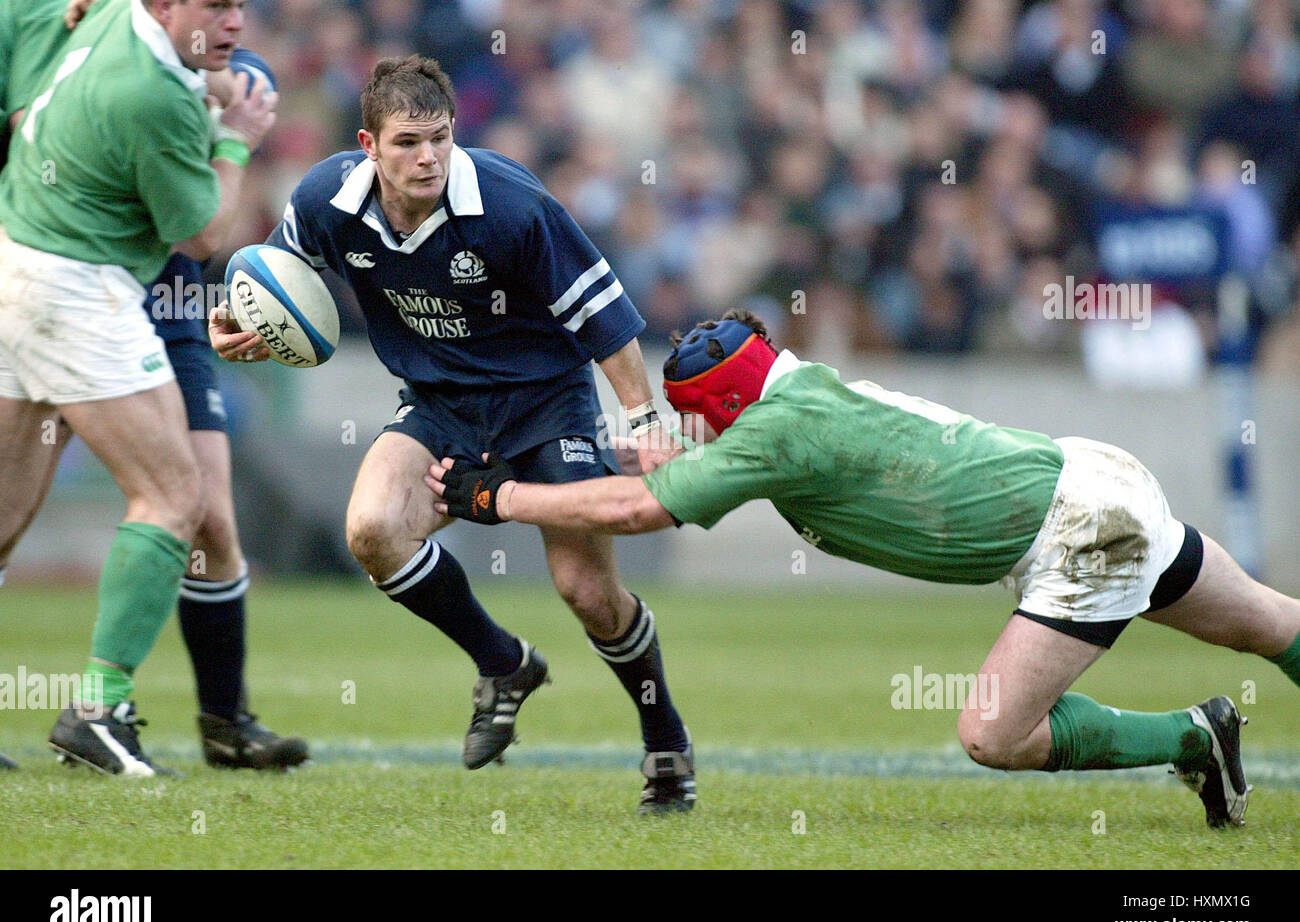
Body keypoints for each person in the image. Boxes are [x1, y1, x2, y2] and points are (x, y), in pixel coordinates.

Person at [430, 309, 1300, 829]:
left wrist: (497, 498)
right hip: (1093, 478)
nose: (701, 439)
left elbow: (637, 511)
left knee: (992, 733)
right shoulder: (800, 387)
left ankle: (1193, 735)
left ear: (727, 407)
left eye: (702, 422)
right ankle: (1205, 736)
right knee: (1269, 621)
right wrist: (647, 462)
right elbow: (674, 481)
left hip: (1076, 535)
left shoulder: (773, 434)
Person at [208, 55, 695, 812]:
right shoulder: (323, 200)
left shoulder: (509, 203)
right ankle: (503, 662)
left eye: (438, 138)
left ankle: (666, 742)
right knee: (371, 529)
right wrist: (245, 321)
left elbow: (605, 314)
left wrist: (640, 419)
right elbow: (280, 277)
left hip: (547, 401)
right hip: (439, 404)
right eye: (407, 142)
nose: (428, 156)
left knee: (587, 590)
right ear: (368, 146)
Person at [0, 6, 307, 770]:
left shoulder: (110, 15)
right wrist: (235, 134)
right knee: (175, 497)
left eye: (239, 4)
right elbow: (203, 233)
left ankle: (214, 719)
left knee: (3, 515)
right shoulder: (152, 94)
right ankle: (99, 711)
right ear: (164, 7)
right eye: (214, 5)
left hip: (21, 263)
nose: (234, 21)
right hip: (81, 288)